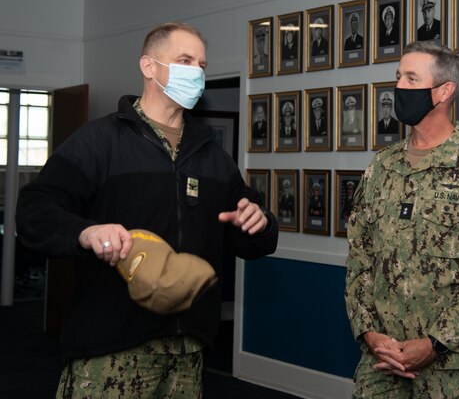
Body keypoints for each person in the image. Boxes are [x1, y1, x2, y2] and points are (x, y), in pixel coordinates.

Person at [16, 22, 279, 398]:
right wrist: (84, 232)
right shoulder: (99, 141)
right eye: (185, 60)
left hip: (188, 352)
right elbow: (34, 210)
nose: (197, 72)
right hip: (110, 348)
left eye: (202, 64)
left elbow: (254, 240)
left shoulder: (213, 157)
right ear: (149, 66)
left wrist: (260, 221)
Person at [345, 41, 459, 398]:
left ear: (444, 91)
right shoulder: (381, 167)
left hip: (458, 367)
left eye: (411, 79)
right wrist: (370, 333)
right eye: (398, 77)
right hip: (382, 363)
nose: (399, 87)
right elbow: (359, 260)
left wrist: (434, 343)